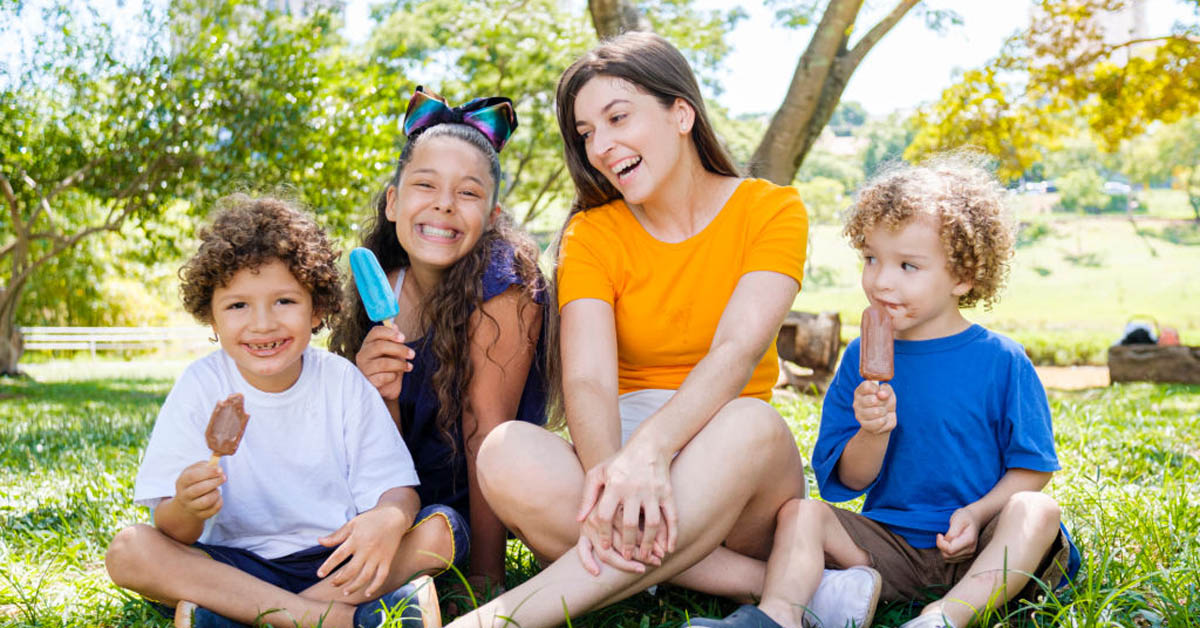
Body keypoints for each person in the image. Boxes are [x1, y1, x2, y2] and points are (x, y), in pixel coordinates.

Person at [445, 32, 879, 628]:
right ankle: (785, 587)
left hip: (733, 459)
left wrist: (651, 453)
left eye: (617, 116)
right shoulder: (590, 234)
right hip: (619, 449)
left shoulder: (772, 210)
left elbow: (736, 351)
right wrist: (610, 477)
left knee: (752, 420)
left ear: (681, 112)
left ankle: (498, 620)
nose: (600, 146)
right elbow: (589, 379)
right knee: (504, 453)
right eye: (586, 133)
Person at [105, 196, 442, 628]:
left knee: (441, 529)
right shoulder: (201, 385)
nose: (262, 323)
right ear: (210, 316)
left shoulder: (341, 381)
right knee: (130, 549)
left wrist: (385, 519)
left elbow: (400, 491)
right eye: (237, 305)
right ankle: (330, 618)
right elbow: (171, 530)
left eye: (284, 301)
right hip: (234, 565)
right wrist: (188, 506)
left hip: (334, 558)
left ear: (317, 307)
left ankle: (238, 616)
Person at [794, 155, 1081, 628]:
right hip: (888, 544)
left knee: (1037, 510)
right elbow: (847, 482)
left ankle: (945, 615)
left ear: (964, 276)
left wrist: (977, 512)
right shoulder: (859, 357)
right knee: (802, 515)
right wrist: (872, 431)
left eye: (908, 265)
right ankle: (786, 611)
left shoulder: (1002, 360)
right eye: (871, 258)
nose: (881, 280)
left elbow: (1032, 469)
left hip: (984, 546)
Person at [329, 86, 547, 601]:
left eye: (469, 193)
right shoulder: (380, 285)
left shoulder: (505, 284)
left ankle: (311, 605)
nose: (444, 205)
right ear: (393, 202)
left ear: (492, 219)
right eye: (425, 185)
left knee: (439, 532)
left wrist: (486, 580)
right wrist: (375, 390)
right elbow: (377, 451)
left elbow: (487, 438)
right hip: (387, 499)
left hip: (457, 515)